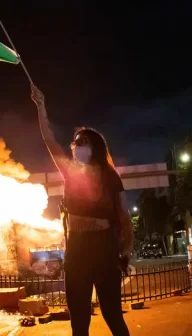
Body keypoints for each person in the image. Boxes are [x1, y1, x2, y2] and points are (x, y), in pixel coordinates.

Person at [34, 85, 131, 336]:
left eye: (83, 142)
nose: (77, 146)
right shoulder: (71, 172)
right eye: (75, 143)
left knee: (113, 316)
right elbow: (49, 141)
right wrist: (41, 107)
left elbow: (123, 215)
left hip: (104, 249)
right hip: (77, 251)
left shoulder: (111, 177)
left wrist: (125, 250)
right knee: (79, 321)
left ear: (95, 146)